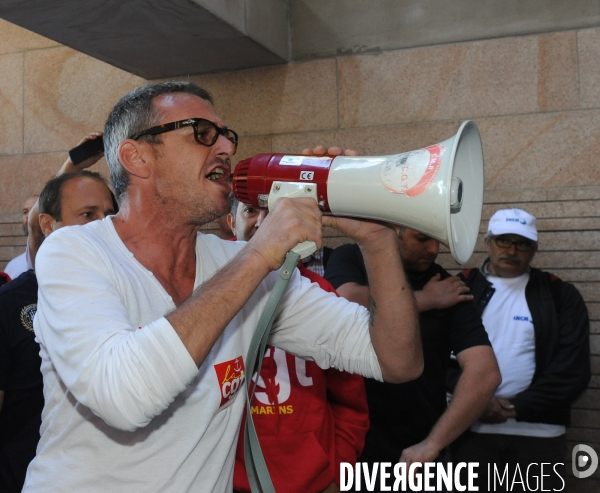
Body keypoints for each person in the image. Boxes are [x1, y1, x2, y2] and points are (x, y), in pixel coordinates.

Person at [23, 81, 422, 493]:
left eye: (226, 135)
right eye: (201, 133)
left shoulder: (241, 265)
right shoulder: (74, 251)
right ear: (137, 156)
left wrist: (377, 242)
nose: (227, 148)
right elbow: (124, 397)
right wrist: (259, 252)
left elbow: (396, 360)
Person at [325, 227, 500, 490]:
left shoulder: (449, 288)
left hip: (415, 455)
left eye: (437, 240)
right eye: (422, 239)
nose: (433, 249)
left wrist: (433, 445)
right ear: (396, 229)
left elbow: (485, 373)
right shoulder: (352, 257)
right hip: (349, 445)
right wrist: (425, 299)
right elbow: (345, 300)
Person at [228, 196, 369, 493]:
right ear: (231, 222)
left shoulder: (322, 295)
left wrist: (338, 475)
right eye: (251, 210)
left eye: (277, 209)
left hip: (316, 484)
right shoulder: (209, 297)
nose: (266, 222)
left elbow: (350, 401)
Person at [450, 208, 591, 490]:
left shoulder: (559, 295)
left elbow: (572, 370)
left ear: (534, 249)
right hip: (468, 429)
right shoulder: (459, 288)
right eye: (504, 241)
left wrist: (513, 409)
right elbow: (436, 358)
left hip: (539, 433)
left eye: (522, 243)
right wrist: (477, 404)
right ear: (487, 242)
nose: (512, 250)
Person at [0, 158, 116, 491]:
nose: (102, 225)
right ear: (48, 224)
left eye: (109, 215)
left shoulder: (128, 293)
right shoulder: (9, 305)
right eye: (88, 214)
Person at [3, 195, 38, 280]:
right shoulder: (13, 267)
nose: (28, 215)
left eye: (34, 210)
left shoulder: (59, 260)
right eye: (25, 211)